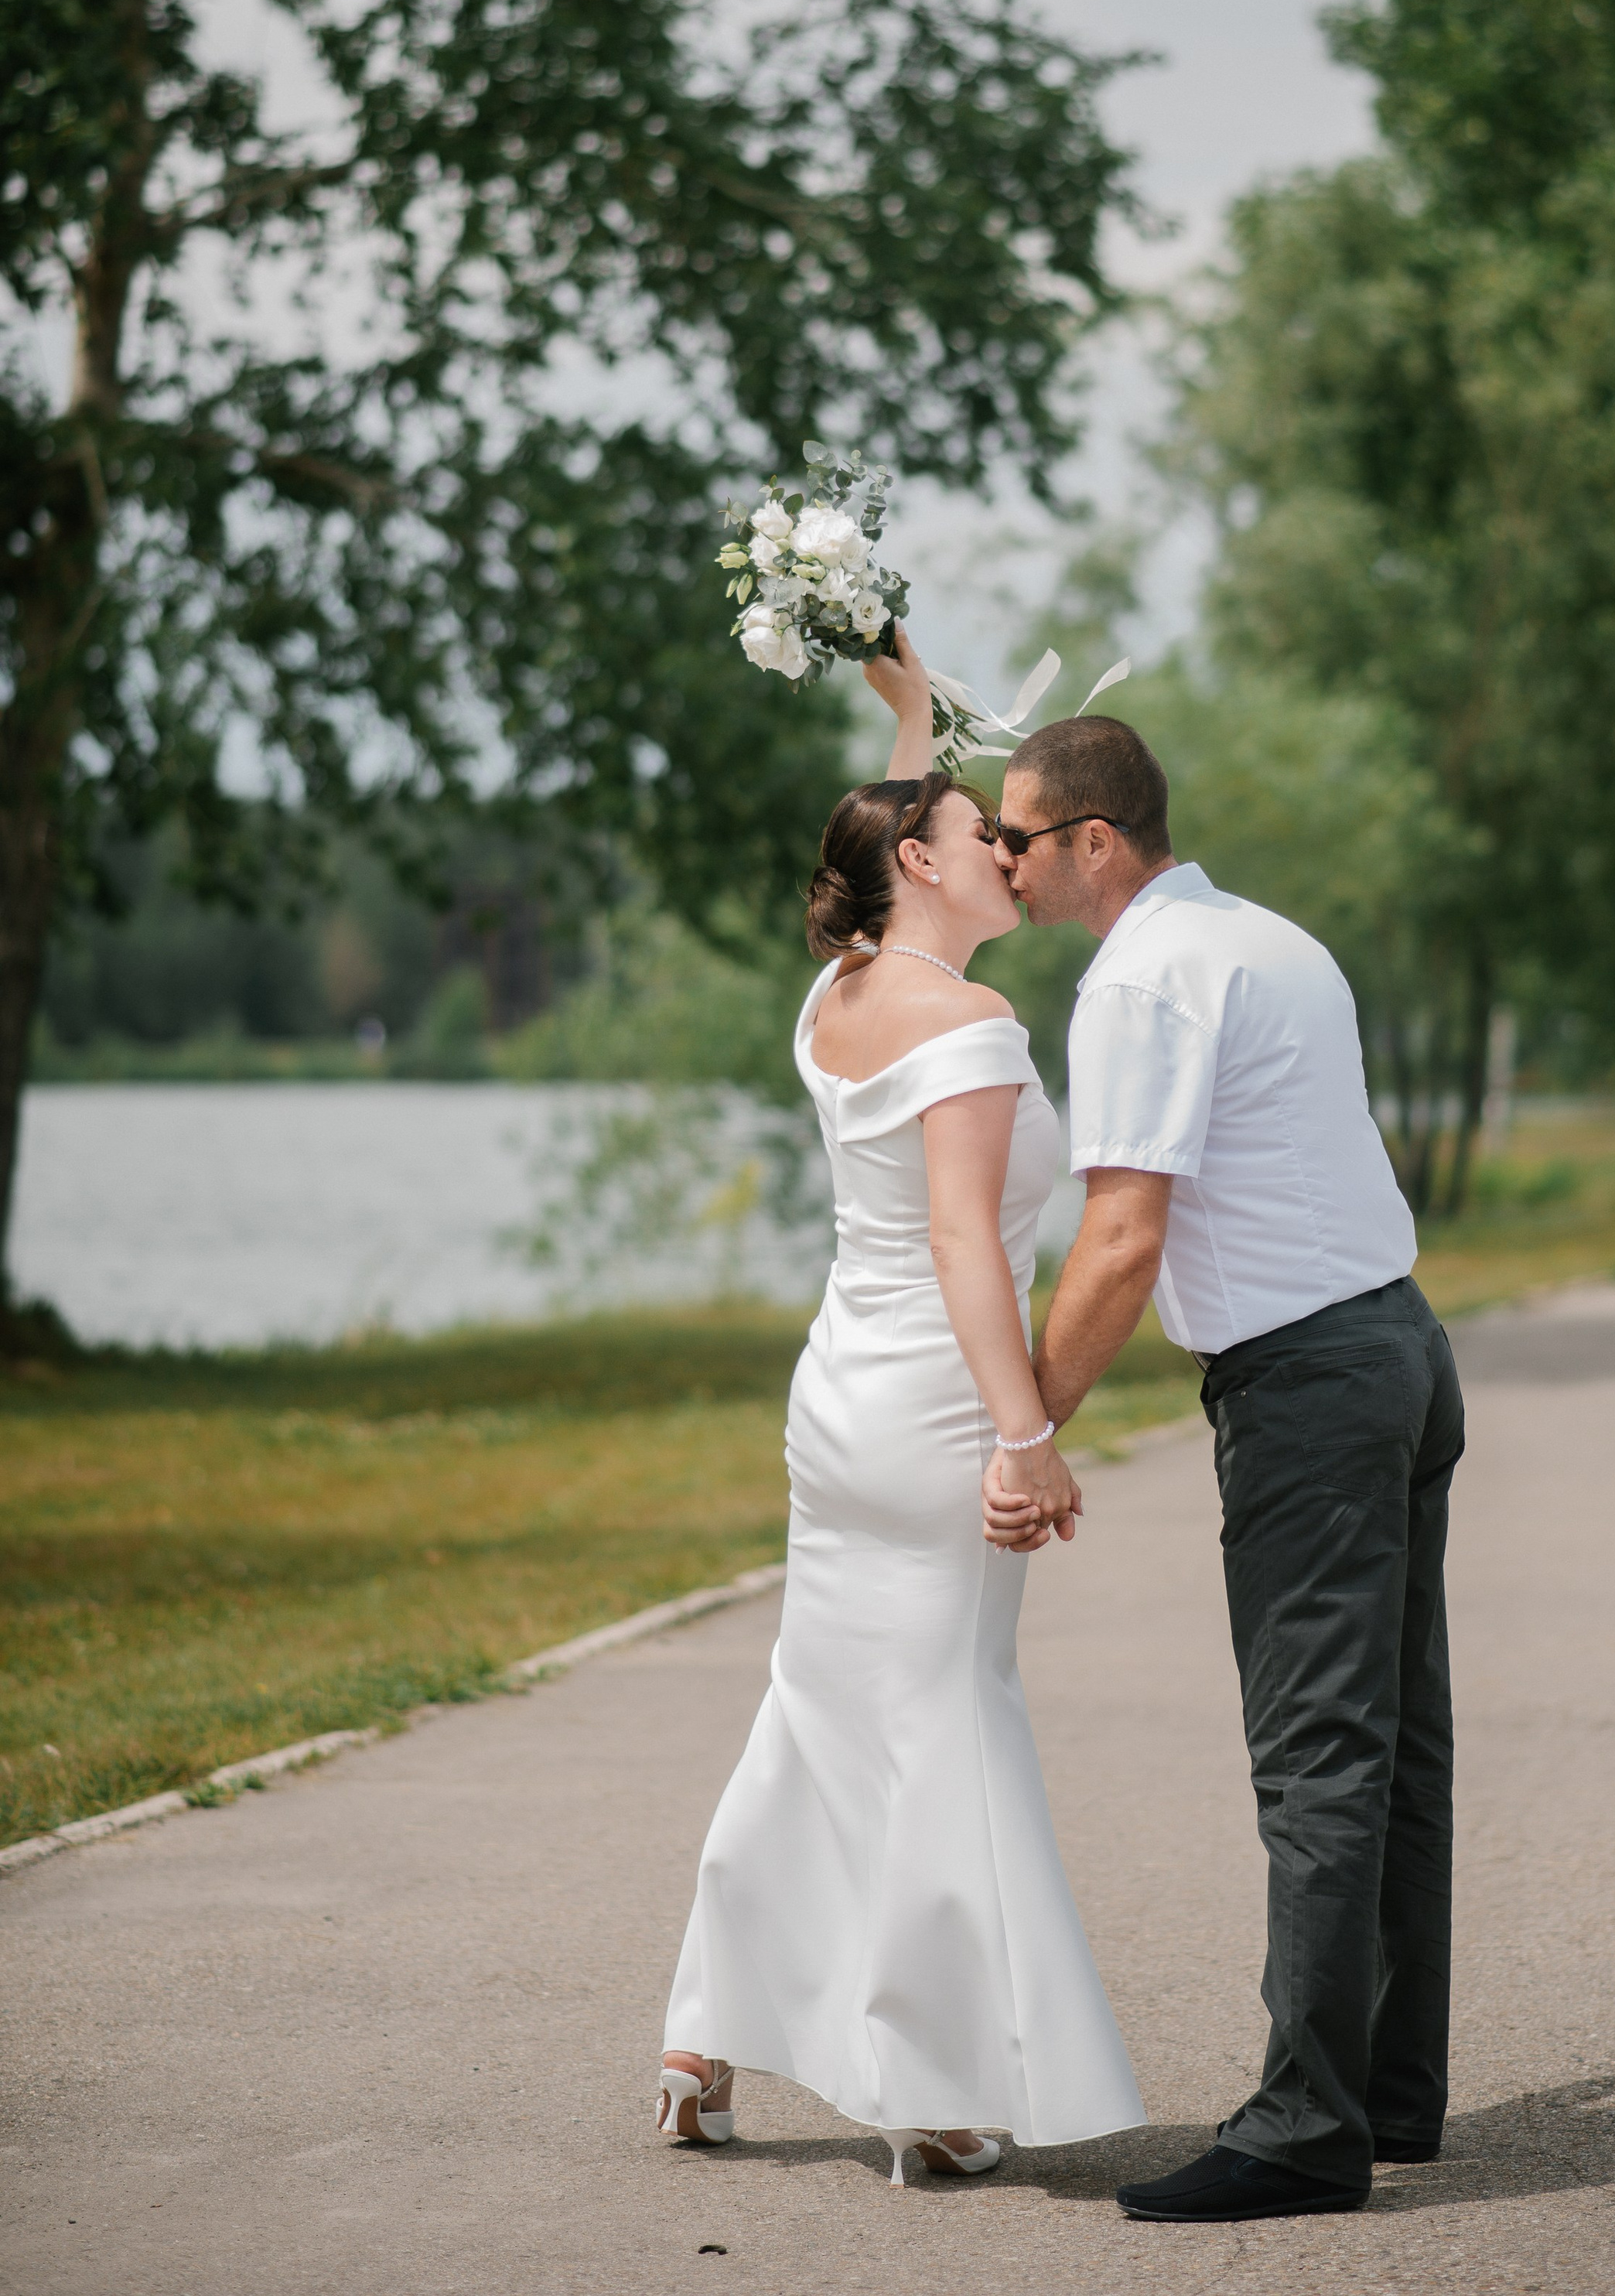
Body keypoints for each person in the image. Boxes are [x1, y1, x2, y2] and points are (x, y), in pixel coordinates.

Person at [657, 633, 1145, 2187]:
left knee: (816, 1707)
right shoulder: (972, 1028)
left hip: (834, 1405)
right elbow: (961, 1241)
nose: (1002, 848)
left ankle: (698, 2040)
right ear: (920, 870)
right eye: (973, 834)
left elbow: (878, 814)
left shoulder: (841, 992)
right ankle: (934, 2088)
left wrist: (909, 709)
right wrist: (1025, 1432)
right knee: (943, 1714)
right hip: (937, 1412)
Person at [982, 710, 1464, 2226]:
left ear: (1093, 842)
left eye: (1017, 837)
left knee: (1317, 1753)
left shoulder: (1137, 981)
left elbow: (1120, 1236)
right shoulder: (1267, 938)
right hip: (1399, 1346)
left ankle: (1302, 2129)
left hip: (1312, 1390)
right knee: (1393, 1746)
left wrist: (1027, 1422)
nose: (1002, 859)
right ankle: (1387, 2090)